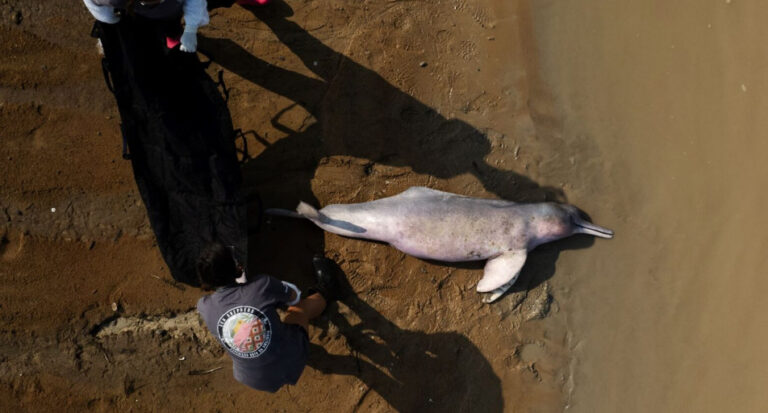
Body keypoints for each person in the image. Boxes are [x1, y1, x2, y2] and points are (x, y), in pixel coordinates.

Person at [195, 243, 343, 392]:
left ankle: (277, 358)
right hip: (291, 359)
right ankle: (328, 288)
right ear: (234, 267)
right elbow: (294, 297)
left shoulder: (204, 306)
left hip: (253, 379)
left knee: (260, 338)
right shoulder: (261, 284)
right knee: (298, 310)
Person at [83, 0, 209, 52]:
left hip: (167, 11)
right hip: (136, 9)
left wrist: (191, 28)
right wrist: (107, 18)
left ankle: (172, 33)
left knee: (170, 22)